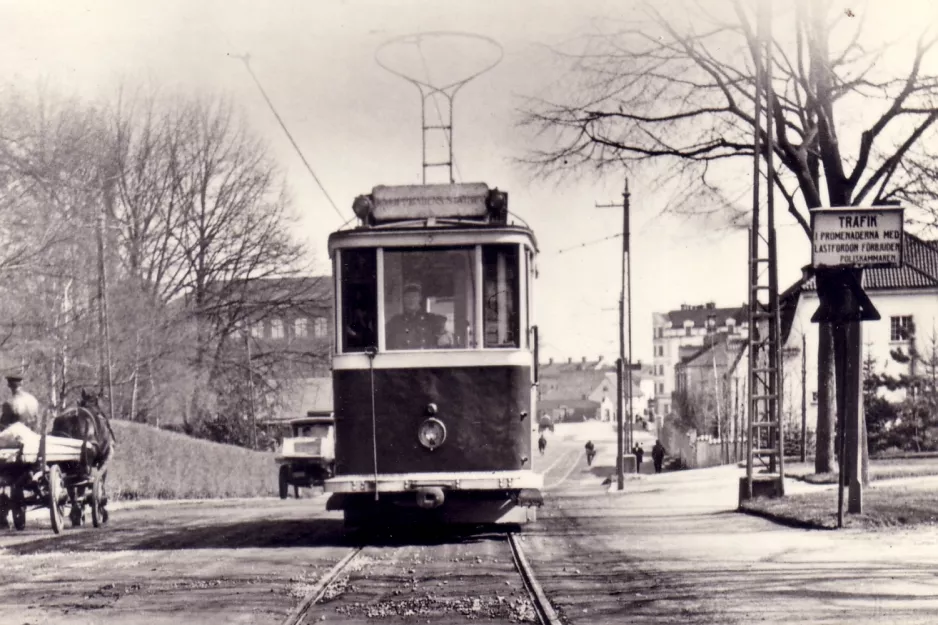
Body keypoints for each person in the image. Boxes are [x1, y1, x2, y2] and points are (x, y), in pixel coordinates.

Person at [386, 282, 453, 350]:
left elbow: (446, 346)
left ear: (420, 298)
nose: (411, 300)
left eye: (414, 296)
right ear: (403, 299)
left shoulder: (433, 320)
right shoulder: (395, 322)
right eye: (407, 296)